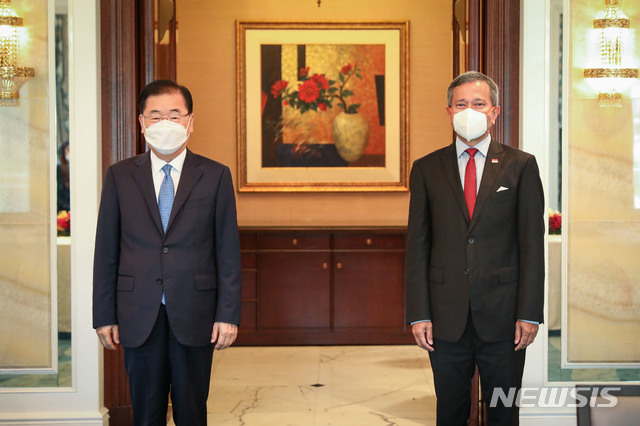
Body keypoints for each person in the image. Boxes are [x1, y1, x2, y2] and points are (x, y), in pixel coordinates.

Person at [93, 80, 242, 426]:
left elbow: (228, 251)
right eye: (156, 116)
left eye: (174, 116)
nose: (165, 124)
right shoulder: (119, 177)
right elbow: (106, 252)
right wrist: (104, 314)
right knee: (146, 413)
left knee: (192, 411)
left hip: (196, 312)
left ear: (190, 122)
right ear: (143, 123)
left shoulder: (216, 176)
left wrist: (229, 314)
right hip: (138, 313)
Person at [405, 71, 544, 426]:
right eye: (461, 104)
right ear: (449, 111)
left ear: (494, 112)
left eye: (478, 104)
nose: (470, 111)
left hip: (504, 316)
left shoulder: (520, 165)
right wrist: (419, 313)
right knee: (450, 410)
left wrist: (529, 313)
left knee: (503, 411)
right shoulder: (426, 169)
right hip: (445, 316)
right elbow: (418, 245)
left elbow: (531, 245)